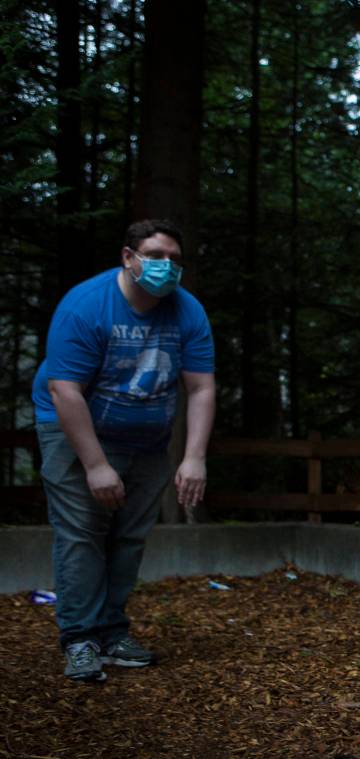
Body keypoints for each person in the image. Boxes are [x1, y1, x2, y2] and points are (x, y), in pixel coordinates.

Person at [32, 219, 216, 683]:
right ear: (128, 258)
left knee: (129, 538)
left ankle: (112, 632)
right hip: (76, 430)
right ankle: (80, 639)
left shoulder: (188, 311)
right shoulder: (87, 306)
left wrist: (193, 456)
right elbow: (63, 390)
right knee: (82, 535)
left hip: (147, 439)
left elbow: (200, 388)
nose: (166, 266)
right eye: (155, 256)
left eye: (175, 259)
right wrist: (95, 466)